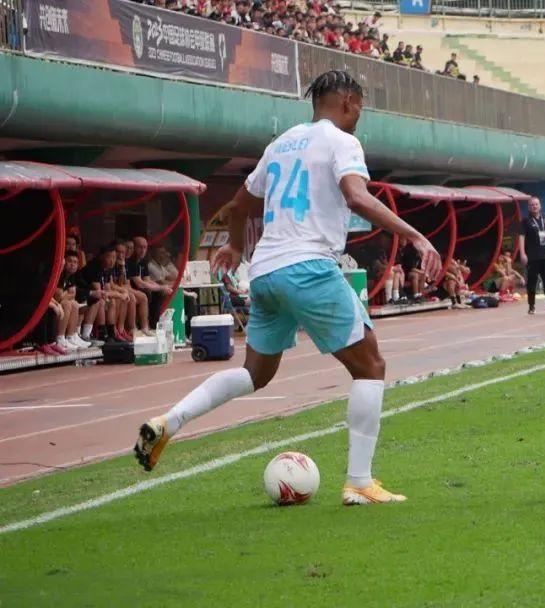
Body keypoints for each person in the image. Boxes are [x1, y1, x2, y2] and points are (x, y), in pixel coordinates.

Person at [134, 70, 441, 506]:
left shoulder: (280, 144)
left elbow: (239, 204)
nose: (360, 116)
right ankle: (359, 481)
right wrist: (413, 235)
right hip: (309, 266)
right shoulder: (342, 141)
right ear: (349, 102)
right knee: (370, 366)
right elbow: (356, 196)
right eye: (360, 107)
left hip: (265, 272)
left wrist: (235, 246)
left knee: (255, 373)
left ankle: (171, 421)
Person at [518, 198, 545, 314]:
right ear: (529, 207)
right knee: (532, 281)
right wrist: (522, 253)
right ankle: (531, 306)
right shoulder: (525, 221)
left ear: (540, 206)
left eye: (536, 204)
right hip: (532, 256)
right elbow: (521, 237)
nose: (534, 206)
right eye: (532, 205)